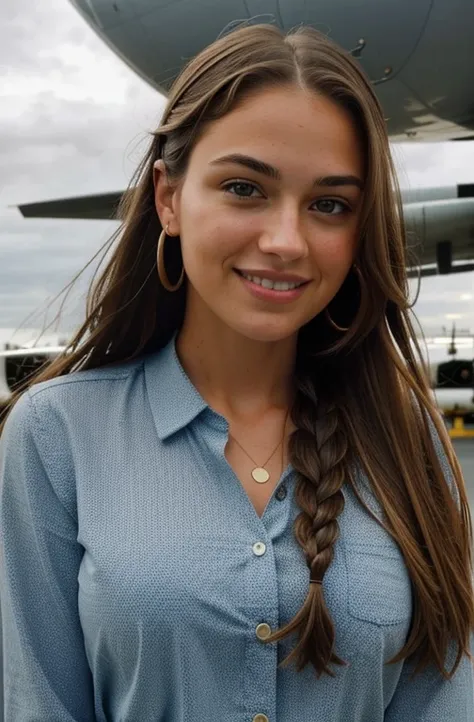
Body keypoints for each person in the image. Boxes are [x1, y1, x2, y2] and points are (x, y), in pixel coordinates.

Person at [0, 22, 473, 722]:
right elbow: (35, 700)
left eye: (330, 205)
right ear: (168, 198)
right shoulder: (56, 436)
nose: (285, 241)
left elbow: (443, 695)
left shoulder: (407, 442)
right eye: (245, 188)